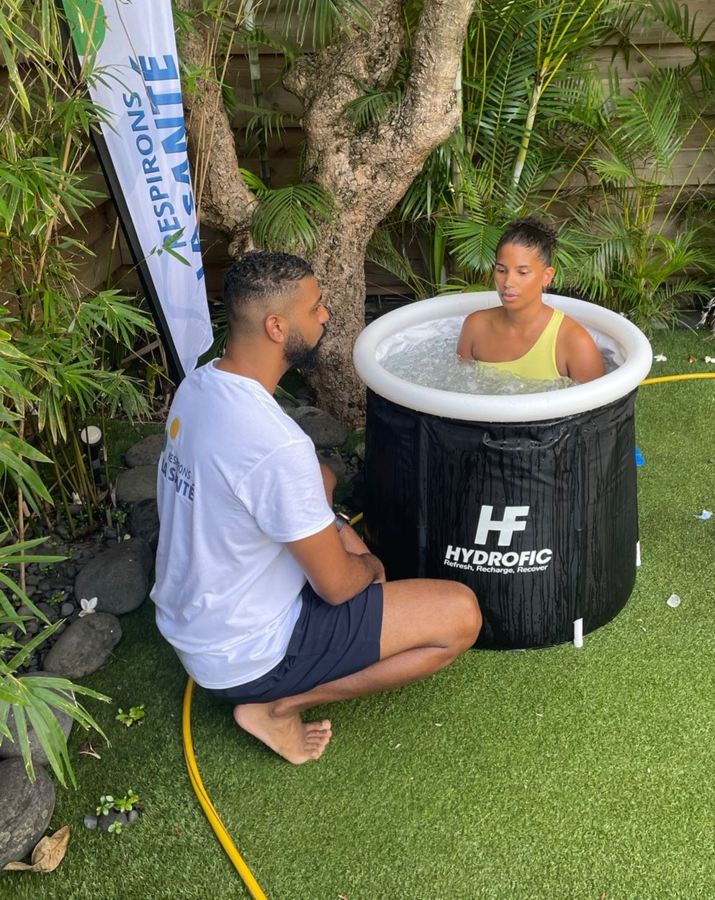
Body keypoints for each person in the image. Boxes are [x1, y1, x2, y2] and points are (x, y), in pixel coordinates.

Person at [152, 252, 481, 766]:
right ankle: (280, 706)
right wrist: (368, 564)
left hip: (195, 622)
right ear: (277, 327)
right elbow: (340, 587)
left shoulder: (199, 386)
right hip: (247, 653)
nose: (325, 315)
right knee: (459, 615)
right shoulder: (276, 446)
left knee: (324, 479)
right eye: (316, 306)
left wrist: (328, 512)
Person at [457, 217, 606, 383]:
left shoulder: (575, 343)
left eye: (522, 273)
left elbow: (600, 399)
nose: (508, 283)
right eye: (501, 270)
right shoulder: (475, 327)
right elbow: (460, 386)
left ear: (546, 276)